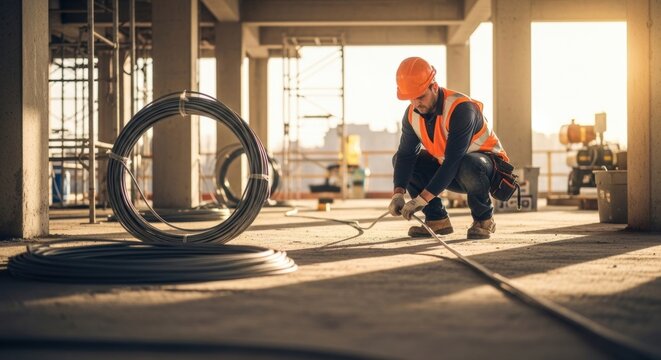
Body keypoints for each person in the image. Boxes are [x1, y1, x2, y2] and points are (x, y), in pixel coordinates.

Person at [388, 57, 510, 239]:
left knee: (468, 163)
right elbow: (406, 156)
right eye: (411, 99)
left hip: (483, 170)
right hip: (451, 171)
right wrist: (398, 193)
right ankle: (437, 220)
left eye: (421, 96)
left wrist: (421, 199)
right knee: (399, 158)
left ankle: (484, 220)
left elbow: (454, 160)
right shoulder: (412, 114)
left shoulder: (461, 109)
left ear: (434, 87)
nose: (416, 104)